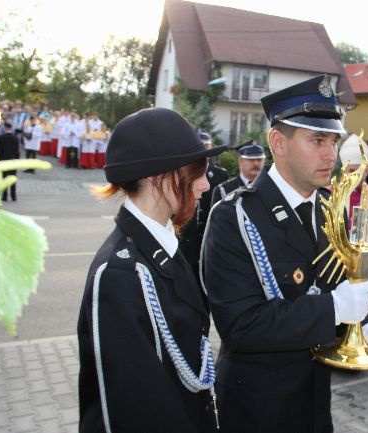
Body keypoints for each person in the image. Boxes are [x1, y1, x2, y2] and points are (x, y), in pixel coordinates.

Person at [203, 74, 368, 433]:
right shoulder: (235, 216)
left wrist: (353, 330)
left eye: (333, 140)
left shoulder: (330, 207)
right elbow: (241, 325)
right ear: (278, 143)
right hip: (258, 409)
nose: (331, 154)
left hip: (314, 404)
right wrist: (335, 309)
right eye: (317, 140)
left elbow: (331, 288)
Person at [77, 107, 227, 432]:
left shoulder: (162, 245)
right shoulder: (120, 273)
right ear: (159, 176)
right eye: (196, 172)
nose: (204, 184)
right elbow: (137, 409)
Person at [177, 131, 228, 283]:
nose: (205, 186)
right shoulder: (182, 174)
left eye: (207, 147)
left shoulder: (220, 175)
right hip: (185, 241)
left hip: (207, 241)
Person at [337, 133, 368, 230]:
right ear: (343, 170)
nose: (356, 176)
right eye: (351, 171)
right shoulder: (330, 193)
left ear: (366, 171)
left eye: (360, 171)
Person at [210, 139, 265, 207]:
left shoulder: (270, 187)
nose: (256, 163)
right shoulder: (223, 190)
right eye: (251, 159)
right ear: (240, 161)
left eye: (259, 159)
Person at [0, 122, 20, 201]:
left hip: (3, 160)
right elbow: (17, 150)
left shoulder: (1, 138)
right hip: (13, 161)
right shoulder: (15, 138)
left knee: (4, 178)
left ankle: (4, 196)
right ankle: (13, 196)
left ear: (5, 128)